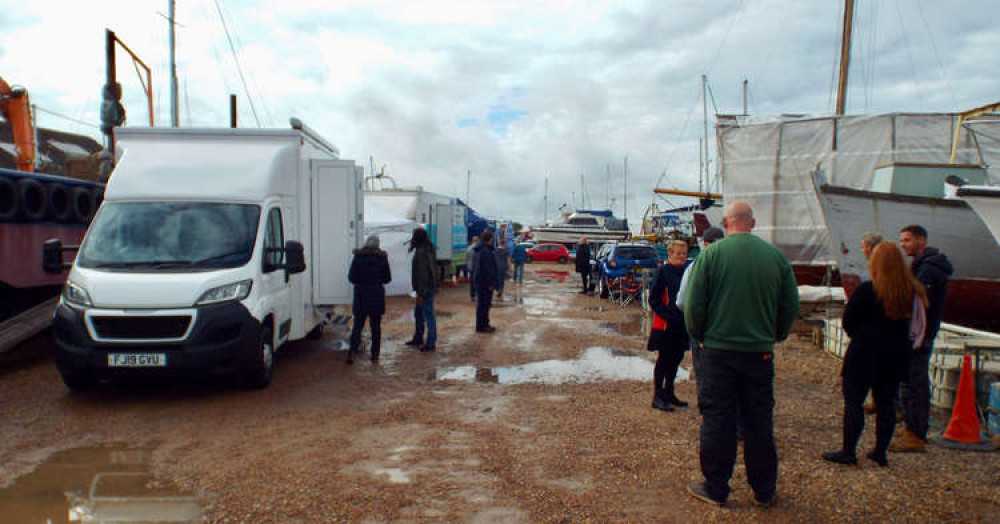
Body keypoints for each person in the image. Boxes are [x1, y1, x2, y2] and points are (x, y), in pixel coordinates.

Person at [683, 201, 799, 508]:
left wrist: (701, 336)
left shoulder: (711, 256)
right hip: (759, 352)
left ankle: (716, 487)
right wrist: (775, 335)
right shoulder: (775, 257)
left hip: (719, 351)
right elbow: (790, 305)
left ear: (725, 222)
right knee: (759, 421)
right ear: (753, 223)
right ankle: (764, 489)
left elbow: (694, 306)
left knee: (718, 418)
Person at [822, 242, 928, 467]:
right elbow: (918, 327)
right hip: (894, 354)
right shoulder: (911, 291)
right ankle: (880, 451)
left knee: (854, 402)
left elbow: (848, 320)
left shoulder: (867, 290)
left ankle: (849, 450)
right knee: (887, 402)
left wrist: (860, 335)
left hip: (864, 351)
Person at [890, 225, 953, 452]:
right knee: (911, 379)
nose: (903, 245)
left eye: (907, 240)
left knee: (914, 381)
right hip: (921, 332)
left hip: (920, 334)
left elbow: (919, 302)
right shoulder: (924, 266)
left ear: (921, 240)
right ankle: (912, 426)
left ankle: (915, 432)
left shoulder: (929, 270)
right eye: (902, 240)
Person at [676, 227, 724, 415]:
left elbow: (682, 301)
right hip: (729, 328)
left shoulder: (697, 265)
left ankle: (708, 410)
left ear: (705, 243)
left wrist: (694, 325)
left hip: (704, 329)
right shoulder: (737, 265)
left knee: (704, 372)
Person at [647, 240, 690, 412]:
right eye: (678, 253)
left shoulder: (687, 272)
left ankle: (669, 392)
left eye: (684, 253)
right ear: (670, 254)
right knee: (664, 360)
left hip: (682, 323)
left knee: (677, 359)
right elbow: (654, 299)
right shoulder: (662, 272)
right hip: (665, 324)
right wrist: (667, 315)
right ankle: (657, 396)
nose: (681, 256)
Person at [346, 235, 392, 364]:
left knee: (357, 327)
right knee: (376, 327)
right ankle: (375, 355)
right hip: (376, 296)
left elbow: (351, 277)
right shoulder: (382, 258)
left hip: (361, 295)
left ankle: (352, 353)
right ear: (378, 245)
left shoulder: (358, 257)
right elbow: (387, 278)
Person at [404, 227, 438, 352]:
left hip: (424, 289)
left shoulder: (421, 252)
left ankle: (430, 342)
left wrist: (420, 293)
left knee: (428, 315)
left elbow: (423, 274)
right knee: (419, 313)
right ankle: (418, 337)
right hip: (427, 288)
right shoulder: (428, 249)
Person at [472, 230, 498, 333]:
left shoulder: (478, 249)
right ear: (490, 239)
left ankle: (482, 325)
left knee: (482, 304)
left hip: (479, 281)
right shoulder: (486, 251)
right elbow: (488, 269)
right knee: (485, 304)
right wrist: (491, 283)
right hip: (485, 282)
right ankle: (483, 326)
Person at [467, 236, 479, 302]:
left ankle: (472, 296)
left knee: (471, 282)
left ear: (472, 240)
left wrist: (468, 265)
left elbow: (467, 258)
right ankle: (477, 295)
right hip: (477, 268)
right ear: (478, 240)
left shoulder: (469, 248)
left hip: (470, 267)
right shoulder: (479, 248)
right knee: (477, 282)